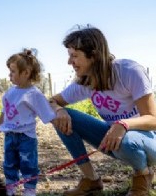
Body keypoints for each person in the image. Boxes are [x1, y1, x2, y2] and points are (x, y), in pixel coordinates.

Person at [49, 25, 156, 196]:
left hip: (148, 140)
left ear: (94, 55)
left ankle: (143, 175)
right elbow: (51, 101)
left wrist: (123, 124)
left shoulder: (129, 71)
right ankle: (91, 180)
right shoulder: (84, 81)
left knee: (126, 140)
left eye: (74, 56)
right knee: (59, 117)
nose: (69, 62)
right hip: (115, 138)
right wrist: (59, 110)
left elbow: (153, 120)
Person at [0, 49, 56, 196]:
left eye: (13, 72)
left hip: (26, 137)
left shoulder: (34, 94)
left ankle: (29, 189)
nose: (9, 76)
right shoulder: (10, 92)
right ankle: (11, 187)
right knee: (9, 163)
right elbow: (5, 110)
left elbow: (47, 113)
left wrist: (59, 121)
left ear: (26, 73)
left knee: (28, 164)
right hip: (9, 134)